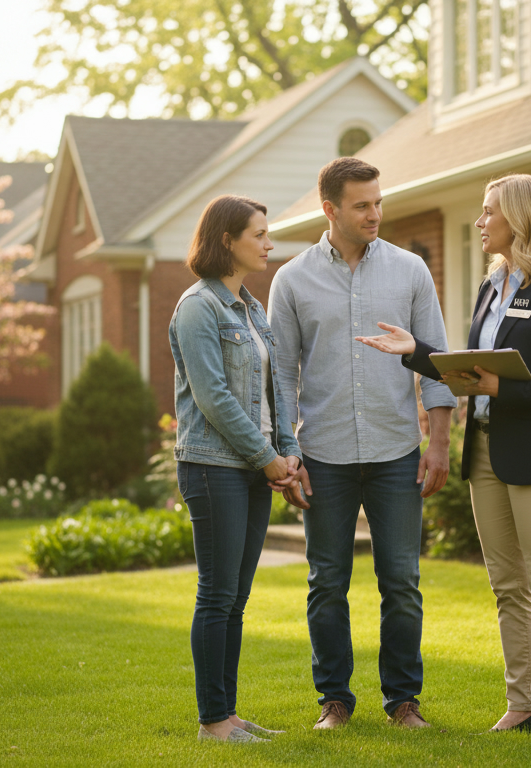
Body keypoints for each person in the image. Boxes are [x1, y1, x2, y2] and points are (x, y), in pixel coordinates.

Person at [356, 174, 531, 739]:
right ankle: (523, 705)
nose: (480, 221)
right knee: (507, 586)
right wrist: (417, 353)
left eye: (489, 212)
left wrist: (503, 390)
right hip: (485, 452)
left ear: (519, 218)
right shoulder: (492, 287)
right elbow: (473, 370)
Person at [267, 157, 455, 730]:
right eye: (362, 205)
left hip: (397, 451)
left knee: (402, 581)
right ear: (331, 209)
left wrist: (440, 442)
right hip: (323, 456)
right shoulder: (293, 279)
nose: (375, 213)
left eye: (379, 202)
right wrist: (286, 454)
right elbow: (280, 375)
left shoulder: (410, 271)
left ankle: (403, 701)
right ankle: (335, 701)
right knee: (327, 582)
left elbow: (438, 364)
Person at [169, 194, 303, 743]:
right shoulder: (198, 307)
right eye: (260, 234)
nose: (269, 244)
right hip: (212, 464)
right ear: (228, 240)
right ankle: (212, 721)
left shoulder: (250, 307)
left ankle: (227, 712)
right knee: (217, 593)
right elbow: (213, 398)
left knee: (236, 598)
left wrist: (287, 451)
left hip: (253, 465)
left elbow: (275, 389)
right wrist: (267, 458)